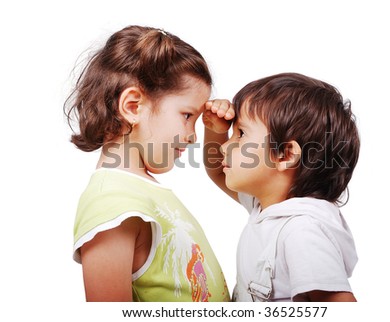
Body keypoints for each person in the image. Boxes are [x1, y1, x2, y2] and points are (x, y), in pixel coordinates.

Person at [64, 25, 230, 302]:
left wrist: (217, 131)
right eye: (187, 115)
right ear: (132, 107)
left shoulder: (140, 190)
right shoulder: (111, 202)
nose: (192, 137)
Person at [203, 72, 360, 302]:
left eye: (241, 134)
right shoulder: (266, 206)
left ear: (285, 154)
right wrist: (217, 129)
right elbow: (218, 170)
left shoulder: (301, 231)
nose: (226, 146)